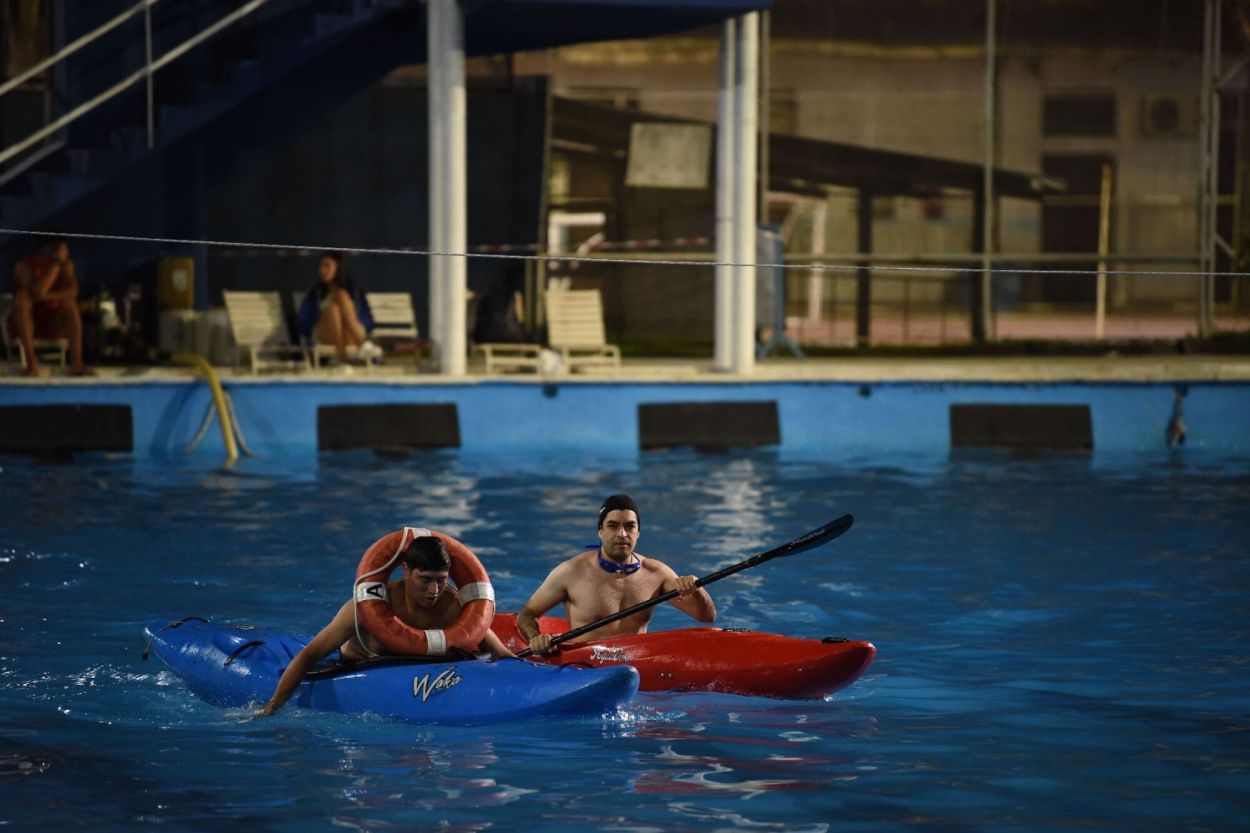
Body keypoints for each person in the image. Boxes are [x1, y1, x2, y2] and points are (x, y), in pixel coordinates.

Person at [257, 535, 514, 717]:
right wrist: (273, 707)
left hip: (424, 678)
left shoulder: (453, 606)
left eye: (441, 580)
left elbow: (500, 653)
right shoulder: (367, 608)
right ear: (405, 570)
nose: (434, 590)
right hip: (356, 668)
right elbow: (310, 655)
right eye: (425, 580)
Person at [517, 494, 716, 656]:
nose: (622, 534)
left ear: (638, 532)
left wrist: (696, 590)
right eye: (613, 526)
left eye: (630, 526)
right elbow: (526, 615)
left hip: (636, 663)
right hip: (583, 667)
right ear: (600, 532)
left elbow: (706, 617)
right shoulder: (571, 572)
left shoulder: (656, 573)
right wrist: (536, 638)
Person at [7, 238, 93, 377]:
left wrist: (46, 296)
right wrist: (55, 265)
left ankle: (77, 364)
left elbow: (73, 291)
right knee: (22, 300)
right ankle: (31, 365)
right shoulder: (24, 267)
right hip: (27, 324)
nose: (65, 254)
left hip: (52, 322)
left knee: (69, 304)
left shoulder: (65, 266)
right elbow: (39, 291)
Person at [295, 251, 380, 367]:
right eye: (321, 266)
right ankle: (363, 346)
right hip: (324, 334)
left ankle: (343, 359)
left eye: (327, 266)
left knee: (340, 298)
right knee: (333, 309)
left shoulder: (353, 289)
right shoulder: (316, 292)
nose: (323, 270)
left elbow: (366, 317)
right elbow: (304, 321)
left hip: (352, 333)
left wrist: (353, 323)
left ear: (338, 267)